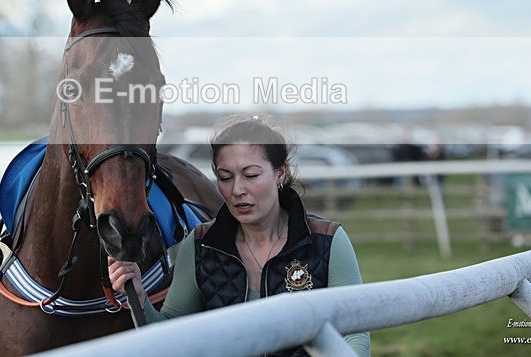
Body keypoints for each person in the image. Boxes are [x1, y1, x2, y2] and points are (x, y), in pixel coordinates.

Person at [108, 114, 371, 356]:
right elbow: (169, 339)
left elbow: (355, 334)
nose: (237, 190)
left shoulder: (328, 240)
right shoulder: (199, 245)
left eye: (251, 175)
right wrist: (140, 299)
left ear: (280, 172)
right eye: (225, 177)